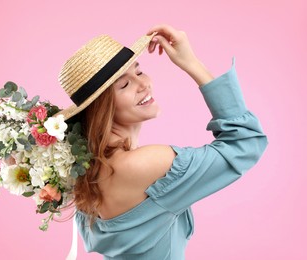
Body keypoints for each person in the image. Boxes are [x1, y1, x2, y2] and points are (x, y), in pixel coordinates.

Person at [56, 24, 268, 259]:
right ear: (101, 108)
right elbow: (246, 142)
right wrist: (192, 63)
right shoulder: (143, 164)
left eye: (138, 72)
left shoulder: (86, 170)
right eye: (124, 85)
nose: (143, 84)